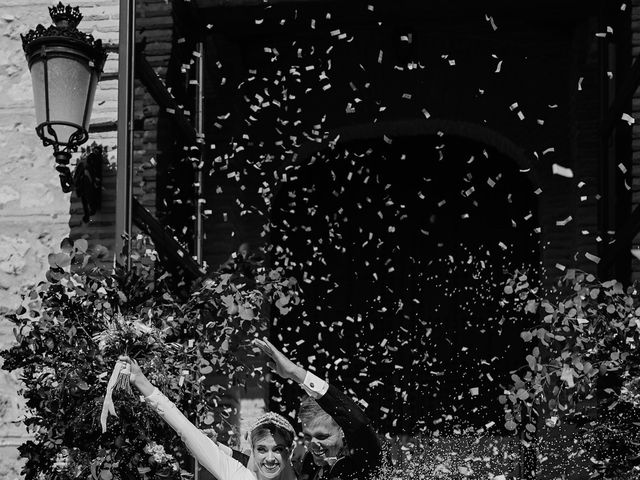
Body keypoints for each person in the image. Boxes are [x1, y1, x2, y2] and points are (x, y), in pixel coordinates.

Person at [119, 356, 297, 480]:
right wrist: (141, 381)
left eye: (278, 449)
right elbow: (187, 431)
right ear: (252, 450)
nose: (270, 458)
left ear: (289, 451)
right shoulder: (237, 475)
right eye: (262, 449)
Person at [253, 339, 381, 480]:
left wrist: (296, 373)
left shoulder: (365, 456)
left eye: (322, 436)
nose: (313, 445)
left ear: (342, 431)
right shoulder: (310, 463)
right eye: (308, 437)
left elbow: (358, 422)